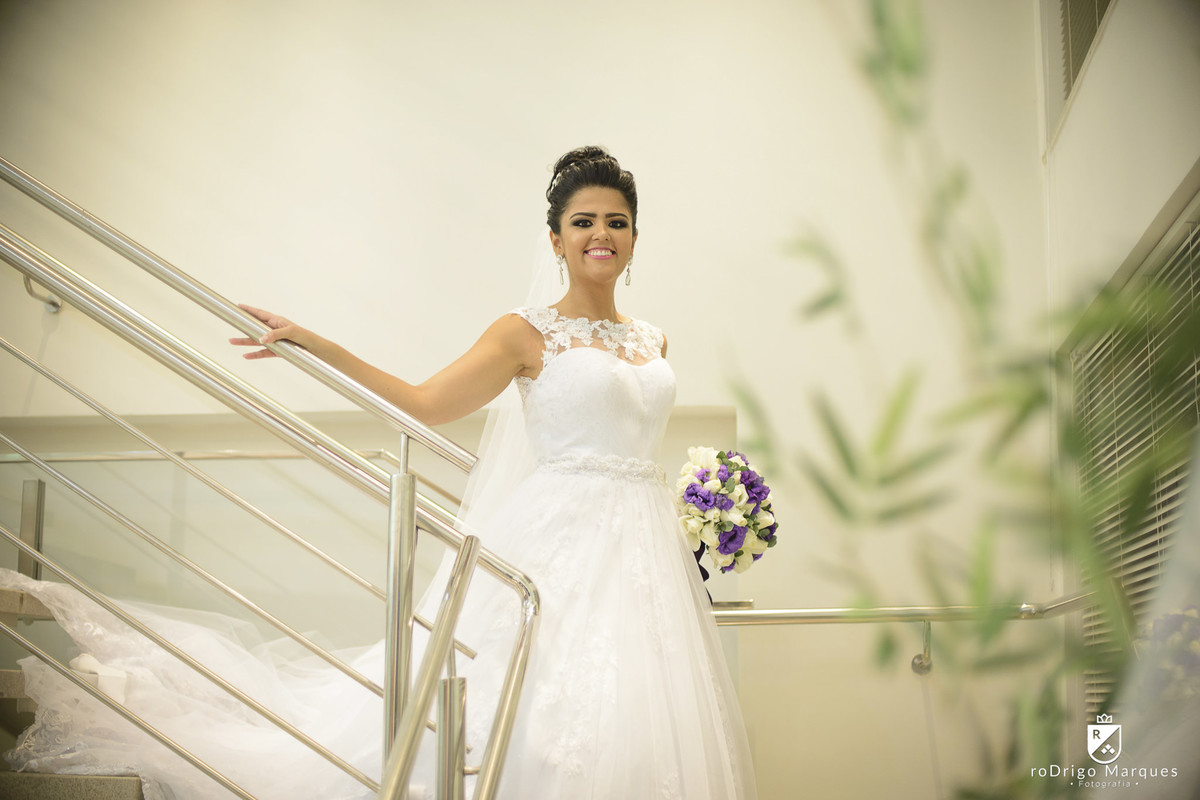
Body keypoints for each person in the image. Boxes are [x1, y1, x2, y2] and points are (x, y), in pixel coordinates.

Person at [2, 147, 757, 799]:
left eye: (617, 222)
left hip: (645, 548)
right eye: (583, 221)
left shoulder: (653, 338)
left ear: (634, 239)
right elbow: (425, 403)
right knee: (541, 701)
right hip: (558, 542)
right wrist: (320, 346)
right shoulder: (524, 333)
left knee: (642, 705)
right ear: (556, 240)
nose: (601, 234)